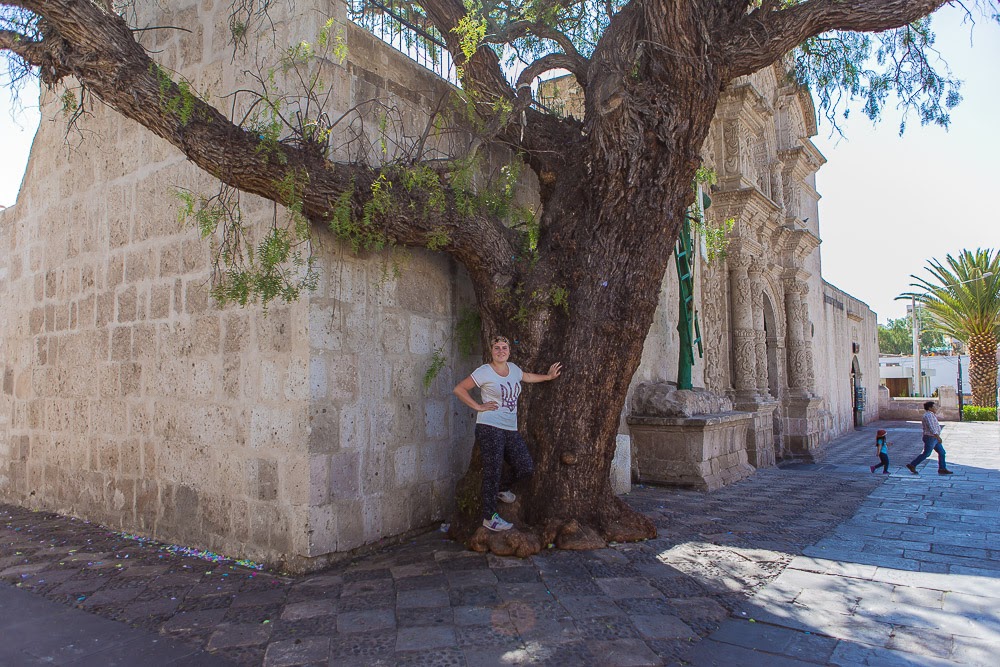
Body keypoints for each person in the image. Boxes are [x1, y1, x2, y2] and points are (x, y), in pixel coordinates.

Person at [453, 335, 562, 532]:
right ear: (491, 351)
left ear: (509, 351)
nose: (501, 351)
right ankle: (489, 517)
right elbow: (459, 389)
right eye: (497, 348)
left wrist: (548, 377)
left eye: (504, 347)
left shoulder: (513, 369)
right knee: (492, 471)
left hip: (510, 428)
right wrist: (478, 406)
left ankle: (502, 488)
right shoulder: (484, 371)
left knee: (525, 466)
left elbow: (527, 377)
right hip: (489, 427)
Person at [906, 401, 953, 475]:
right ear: (930, 408)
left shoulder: (932, 415)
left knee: (942, 452)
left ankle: (942, 468)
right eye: (934, 407)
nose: (936, 408)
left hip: (934, 438)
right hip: (931, 437)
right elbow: (932, 427)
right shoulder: (929, 416)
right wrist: (938, 437)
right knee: (926, 453)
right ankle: (913, 464)